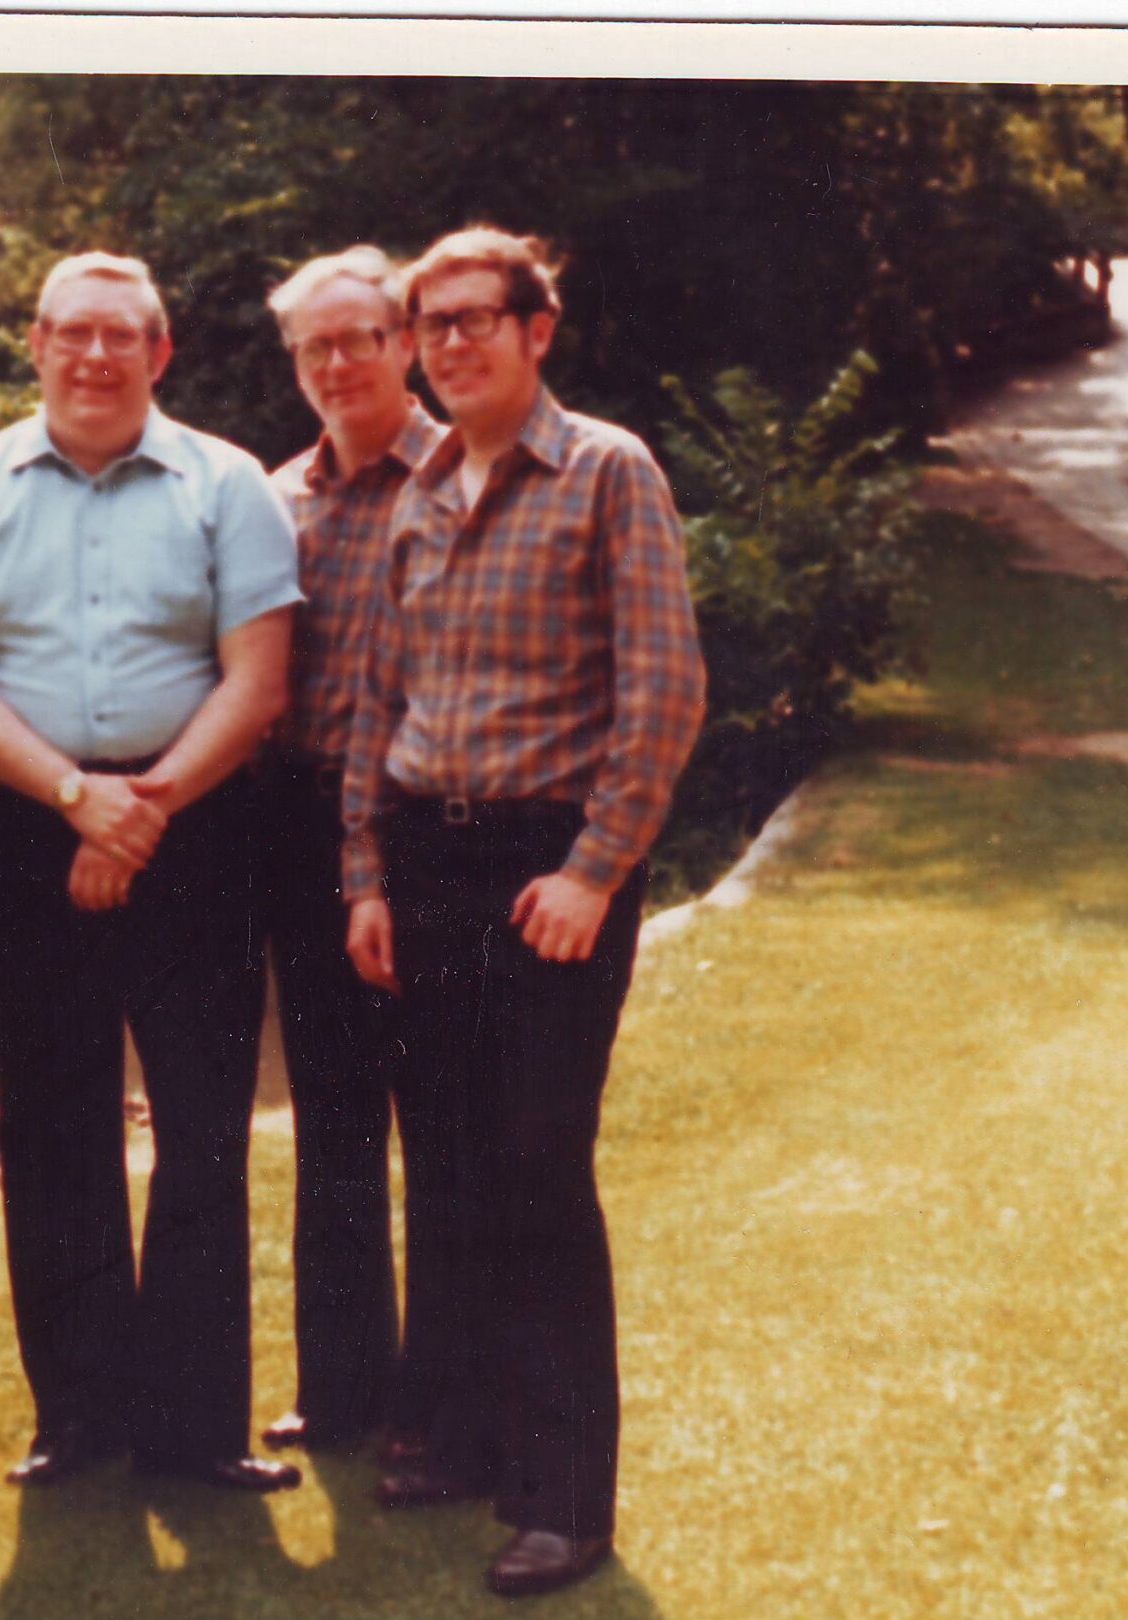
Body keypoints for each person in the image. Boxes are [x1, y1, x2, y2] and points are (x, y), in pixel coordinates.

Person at [0, 251, 304, 1493]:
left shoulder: (228, 484)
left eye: (120, 334)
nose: (94, 355)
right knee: (53, 1123)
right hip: (27, 825)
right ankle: (79, 1421)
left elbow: (257, 681)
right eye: (72, 332)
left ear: (158, 352)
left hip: (198, 827)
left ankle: (197, 1428)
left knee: (201, 1125)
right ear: (36, 344)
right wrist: (76, 800)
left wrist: (143, 808)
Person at [342, 228, 706, 1597]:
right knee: (445, 1161)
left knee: (539, 1166)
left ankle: (563, 1500)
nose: (450, 343)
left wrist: (596, 870)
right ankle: (464, 1439)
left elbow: (663, 688)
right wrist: (364, 875)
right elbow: (379, 700)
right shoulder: (421, 490)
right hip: (424, 860)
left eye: (474, 319)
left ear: (534, 331)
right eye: (429, 324)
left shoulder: (608, 471)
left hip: (547, 867)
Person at [253, 247, 444, 1458]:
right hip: (299, 827)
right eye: (312, 348)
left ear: (402, 345)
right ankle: (340, 1389)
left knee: (440, 1113)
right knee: (330, 1117)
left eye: (356, 339)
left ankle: (441, 1393)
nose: (335, 364)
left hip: (424, 831)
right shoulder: (278, 499)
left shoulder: (463, 479)